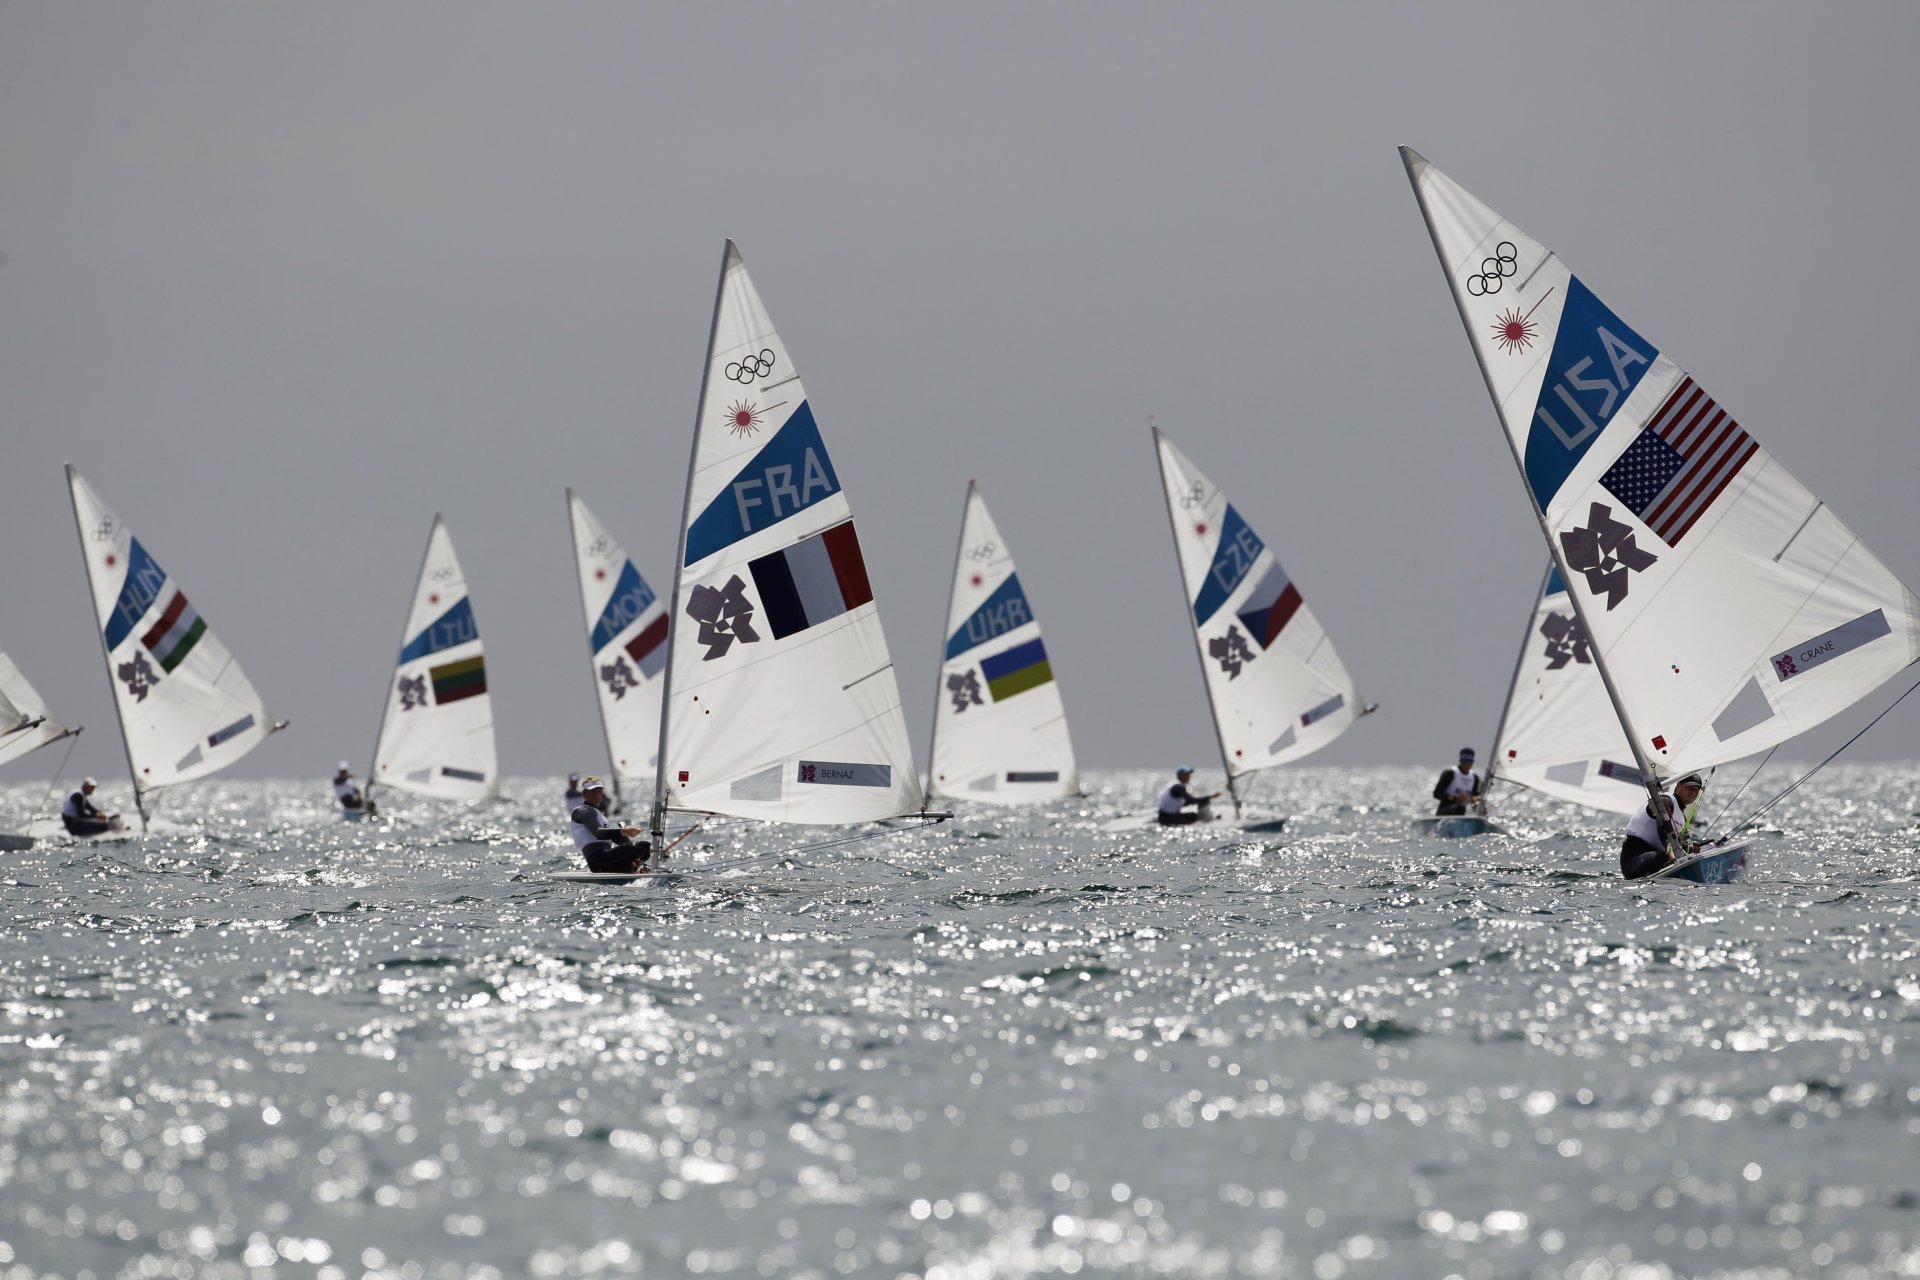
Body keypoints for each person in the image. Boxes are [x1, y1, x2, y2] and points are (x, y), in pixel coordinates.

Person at [1621, 773, 1705, 880]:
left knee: (1676, 858)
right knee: (1666, 858)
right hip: (1634, 859)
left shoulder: (1681, 817)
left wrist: (1689, 848)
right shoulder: (1665, 800)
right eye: (1690, 788)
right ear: (1678, 786)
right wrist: (1675, 852)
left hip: (1655, 856)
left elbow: (1676, 842)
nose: (1693, 793)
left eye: (1697, 790)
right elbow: (1663, 830)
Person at [570, 776, 652, 873]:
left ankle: (635, 867)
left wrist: (627, 841)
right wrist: (623, 831)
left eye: (599, 791)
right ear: (584, 794)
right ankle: (633, 868)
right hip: (599, 861)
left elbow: (615, 837)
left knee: (644, 848)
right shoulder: (582, 810)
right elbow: (599, 833)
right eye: (593, 792)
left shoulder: (599, 814)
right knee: (641, 846)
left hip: (607, 861)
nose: (597, 795)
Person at [1432, 748, 1483, 816]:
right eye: (1464, 761)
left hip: (1461, 812)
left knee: (1479, 811)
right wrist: (1455, 798)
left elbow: (1474, 796)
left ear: (1472, 762)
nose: (1466, 764)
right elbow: (1437, 794)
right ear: (1460, 761)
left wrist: (1476, 803)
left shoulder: (1474, 778)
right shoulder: (1450, 773)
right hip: (1445, 810)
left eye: (1469, 762)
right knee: (1458, 808)